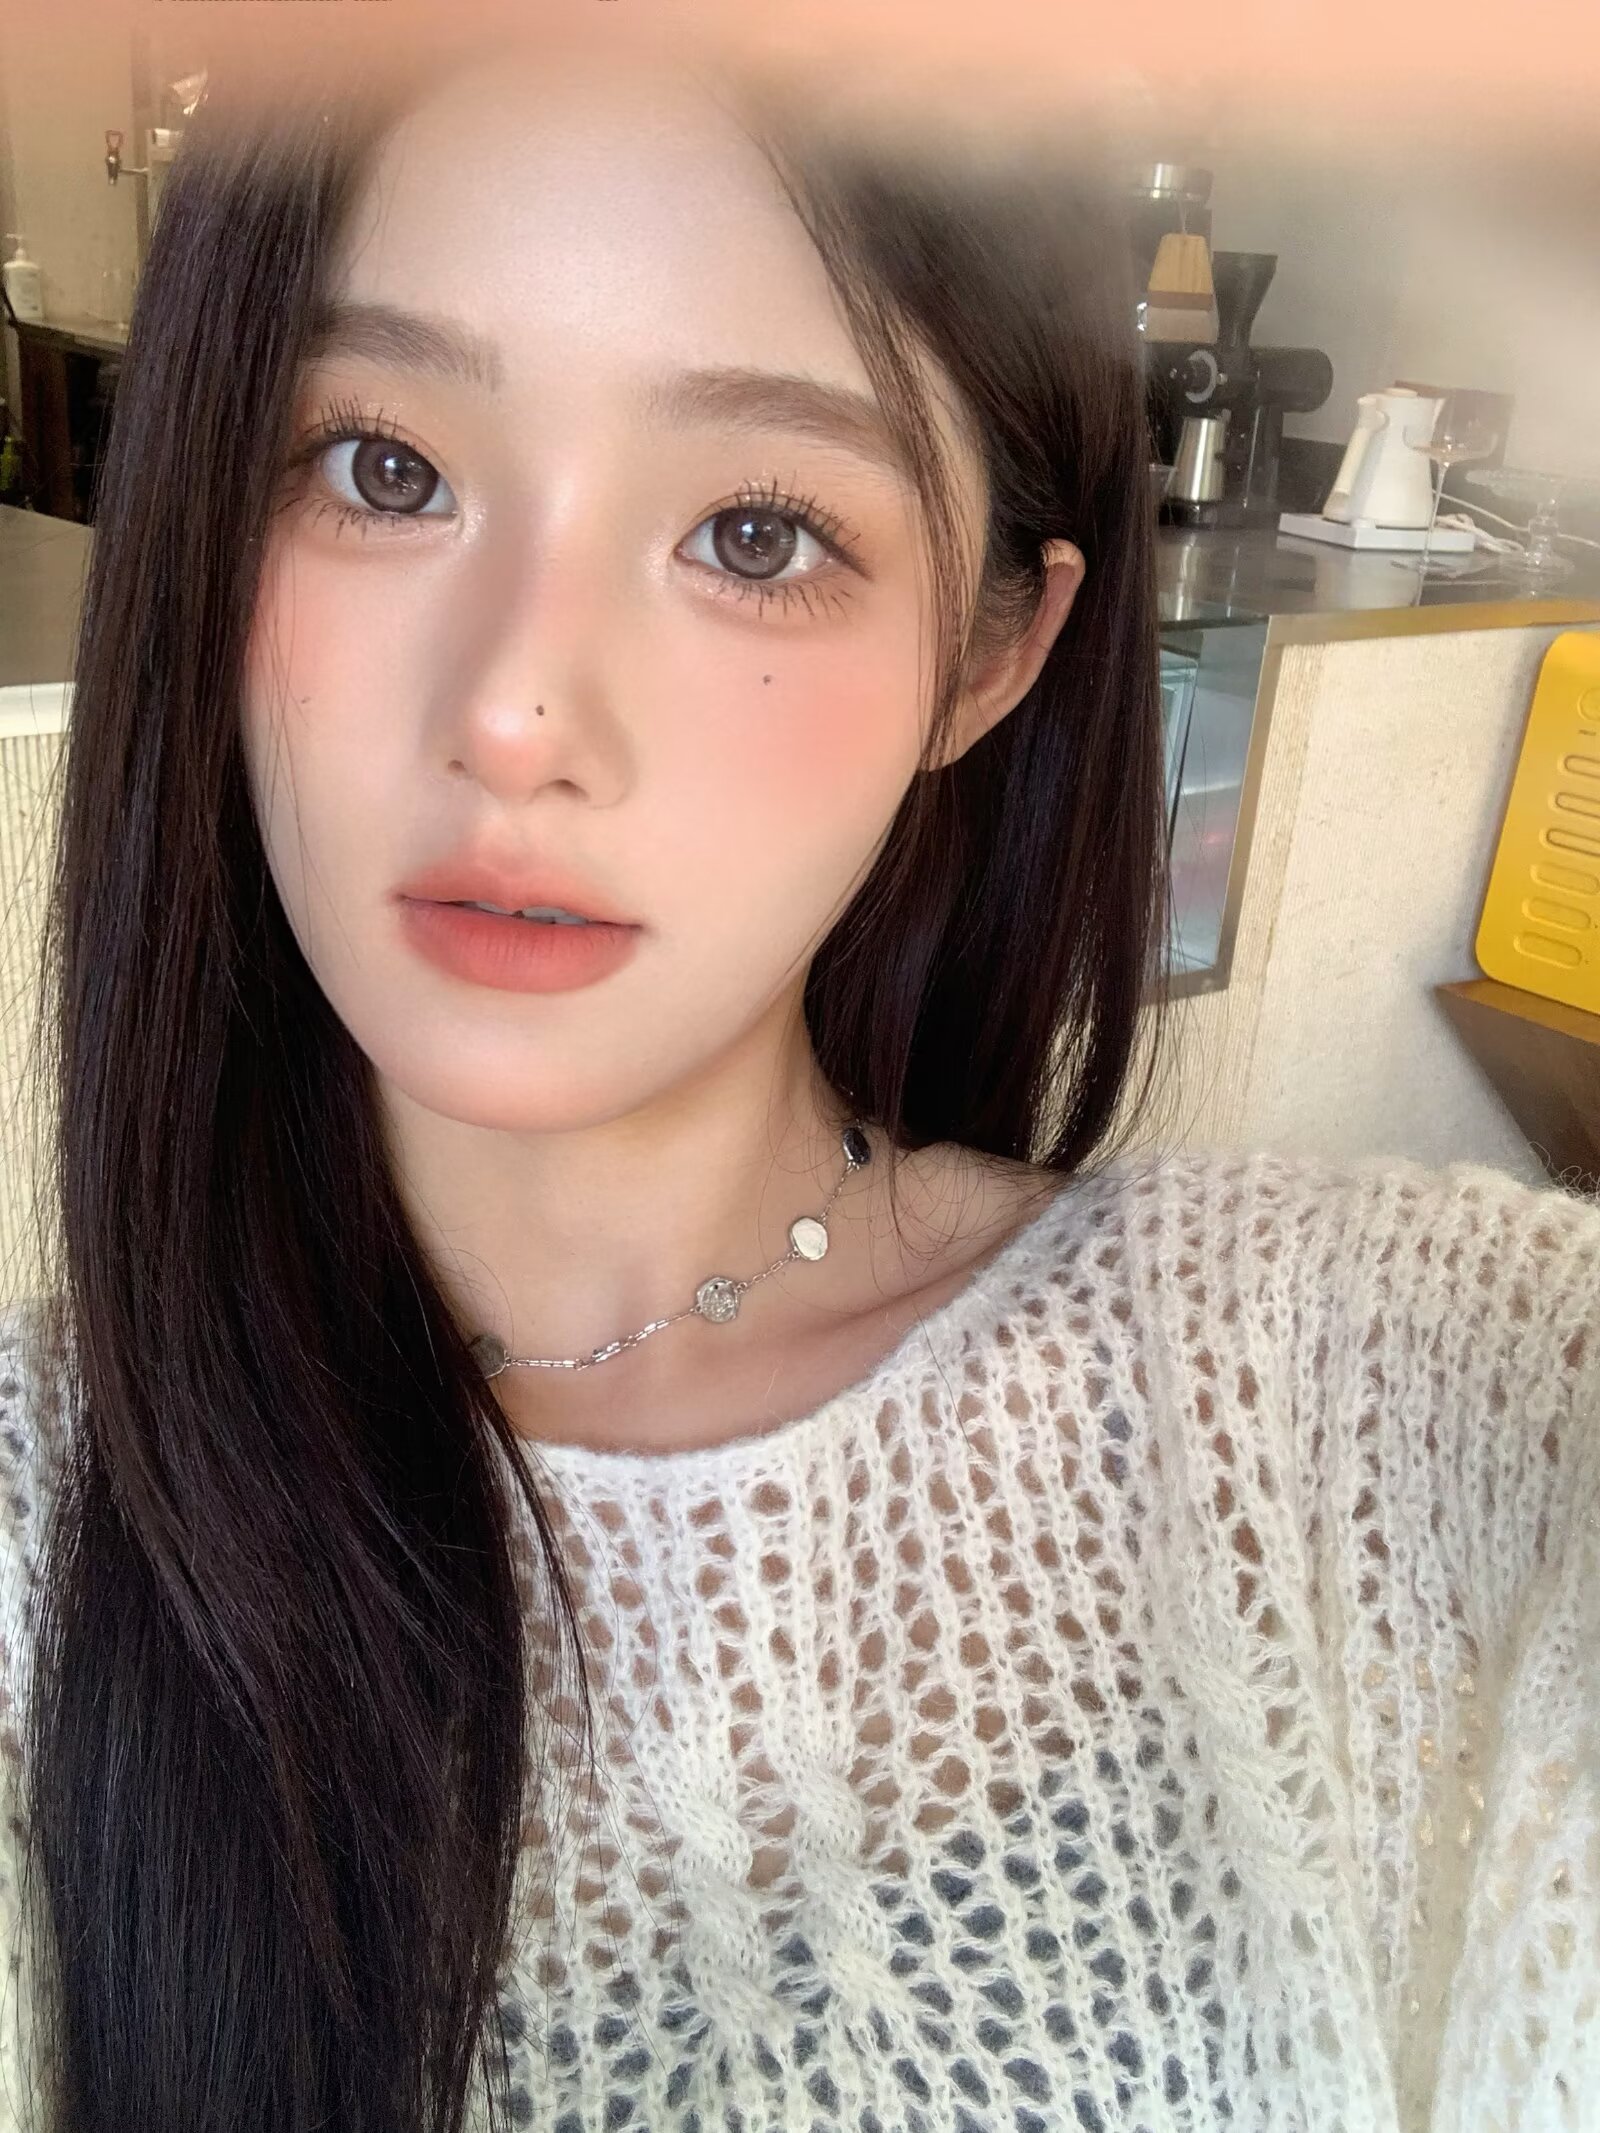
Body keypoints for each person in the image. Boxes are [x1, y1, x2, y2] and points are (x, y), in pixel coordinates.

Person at [0, 32, 1594, 2133]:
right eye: (383, 468)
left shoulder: (1392, 1391)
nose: (515, 713)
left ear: (988, 657)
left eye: (755, 530)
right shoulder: (39, 1518)